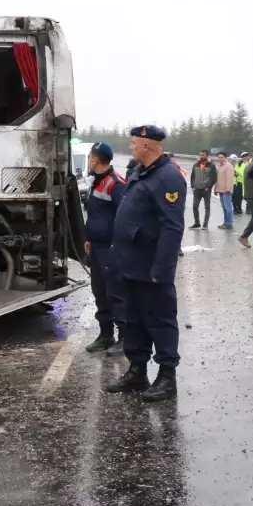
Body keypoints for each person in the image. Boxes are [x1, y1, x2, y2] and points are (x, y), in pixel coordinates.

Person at [105, 125, 186, 402]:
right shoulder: (140, 172)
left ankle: (167, 377)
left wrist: (162, 270)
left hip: (150, 267)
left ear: (148, 145)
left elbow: (172, 227)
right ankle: (137, 371)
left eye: (134, 143)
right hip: (130, 264)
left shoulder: (167, 177)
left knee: (160, 320)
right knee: (134, 320)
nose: (130, 147)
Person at [83, 142, 127, 355]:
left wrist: (116, 245)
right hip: (96, 247)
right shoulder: (97, 182)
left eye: (91, 156)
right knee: (100, 292)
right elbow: (95, 215)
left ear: (95, 159)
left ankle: (125, 338)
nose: (90, 160)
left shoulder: (115, 184)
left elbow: (124, 218)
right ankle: (106, 334)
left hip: (110, 248)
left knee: (115, 293)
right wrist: (89, 238)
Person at [189, 150, 216, 229]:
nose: (201, 156)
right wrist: (192, 186)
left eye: (203, 155)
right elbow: (192, 176)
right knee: (194, 206)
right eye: (200, 155)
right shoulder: (195, 165)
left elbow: (213, 178)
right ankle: (197, 223)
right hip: (196, 189)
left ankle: (205, 224)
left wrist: (209, 187)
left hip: (206, 190)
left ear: (207, 156)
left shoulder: (211, 166)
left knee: (207, 207)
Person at [213, 152, 236, 229]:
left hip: (226, 190)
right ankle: (226, 222)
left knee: (228, 207)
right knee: (224, 207)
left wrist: (228, 189)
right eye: (219, 157)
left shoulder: (228, 166)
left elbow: (229, 179)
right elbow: (217, 179)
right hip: (220, 189)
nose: (220, 159)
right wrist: (215, 189)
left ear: (225, 158)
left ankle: (229, 223)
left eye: (222, 157)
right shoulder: (219, 166)